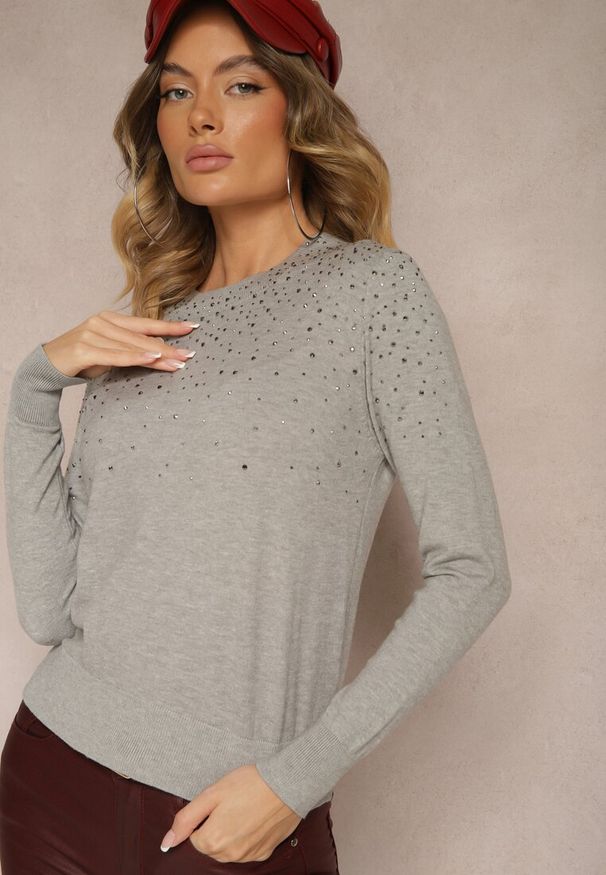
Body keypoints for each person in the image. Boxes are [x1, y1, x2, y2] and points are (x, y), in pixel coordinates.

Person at [0, 0, 512, 872]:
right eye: (176, 91)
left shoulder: (374, 293)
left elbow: (475, 571)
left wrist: (297, 779)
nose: (201, 115)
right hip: (52, 781)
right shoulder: (147, 329)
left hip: (236, 821)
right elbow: (50, 609)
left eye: (239, 85)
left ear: (299, 108)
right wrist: (32, 391)